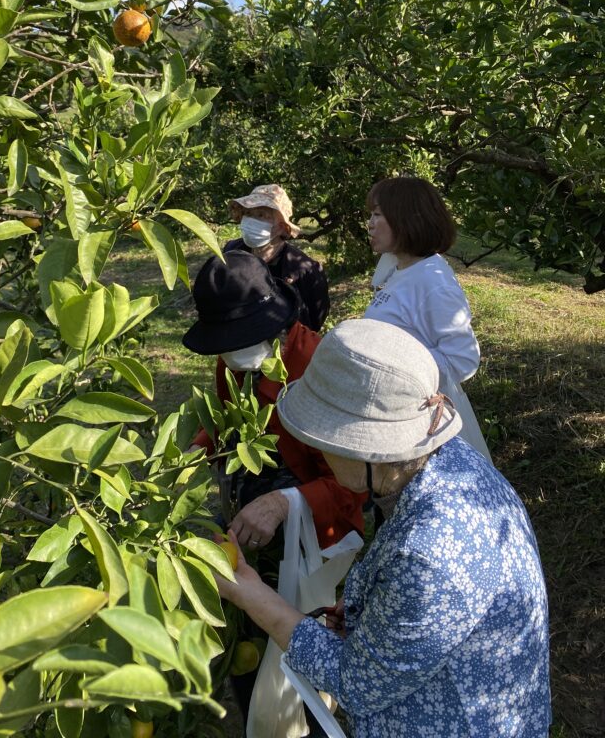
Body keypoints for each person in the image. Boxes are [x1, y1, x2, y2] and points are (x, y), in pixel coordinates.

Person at [217, 319, 551, 738]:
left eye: (324, 438)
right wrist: (374, 612)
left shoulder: (427, 556)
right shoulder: (454, 465)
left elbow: (355, 684)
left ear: (367, 448)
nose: (318, 449)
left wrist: (249, 593)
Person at [182, 250, 364, 550]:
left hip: (316, 527)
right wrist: (199, 448)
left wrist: (282, 503)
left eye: (235, 338)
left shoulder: (318, 372)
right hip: (250, 496)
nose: (225, 352)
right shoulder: (235, 358)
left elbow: (352, 486)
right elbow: (228, 417)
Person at [363, 175, 492, 460]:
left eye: (378, 214)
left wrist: (394, 361)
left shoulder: (433, 281)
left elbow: (463, 359)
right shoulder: (398, 268)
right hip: (393, 410)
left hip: (421, 424)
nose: (370, 224)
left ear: (406, 219)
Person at [224, 183, 330, 331]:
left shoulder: (304, 270)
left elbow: (314, 320)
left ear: (282, 226)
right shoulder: (232, 251)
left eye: (261, 215)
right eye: (248, 213)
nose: (251, 220)